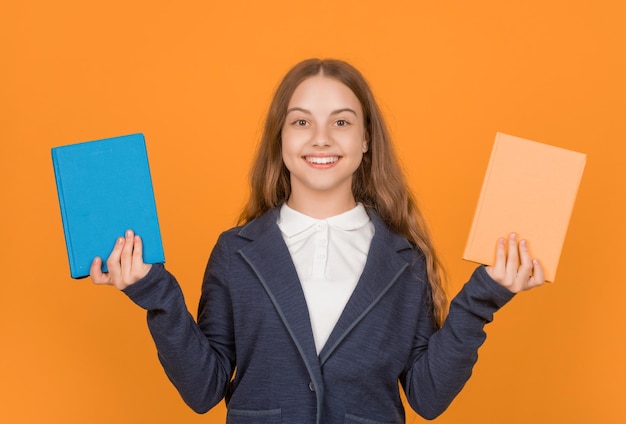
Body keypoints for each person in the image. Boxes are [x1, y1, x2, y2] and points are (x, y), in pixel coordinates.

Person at [90, 58, 546, 423]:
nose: (322, 138)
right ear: (281, 139)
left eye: (342, 123)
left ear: (366, 139)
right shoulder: (236, 251)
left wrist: (484, 296)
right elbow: (203, 389)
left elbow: (427, 397)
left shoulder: (404, 261)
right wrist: (155, 292)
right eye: (302, 122)